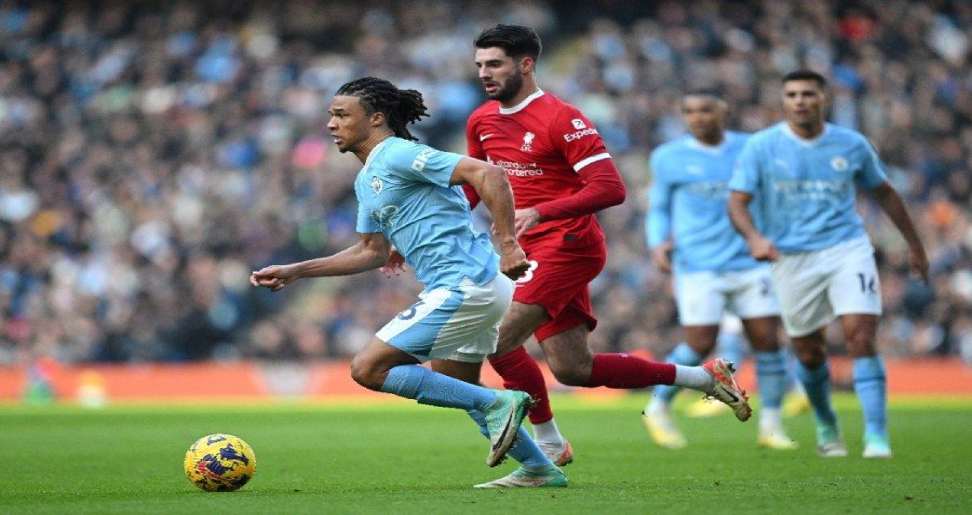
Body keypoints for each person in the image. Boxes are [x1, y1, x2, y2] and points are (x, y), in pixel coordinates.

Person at [250, 77, 566, 488]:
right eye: (330, 115)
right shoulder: (367, 179)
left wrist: (508, 243)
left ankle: (499, 402)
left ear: (376, 118)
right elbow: (371, 251)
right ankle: (539, 468)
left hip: (465, 283)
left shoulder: (397, 153)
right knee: (455, 386)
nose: (331, 124)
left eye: (342, 115)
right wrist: (297, 271)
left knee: (368, 368)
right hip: (475, 286)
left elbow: (487, 173)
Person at [463, 24, 752, 472]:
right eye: (480, 64)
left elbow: (610, 188)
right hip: (526, 250)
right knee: (574, 369)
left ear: (525, 64)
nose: (484, 72)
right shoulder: (481, 120)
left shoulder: (562, 118)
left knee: (498, 341)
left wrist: (543, 211)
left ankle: (549, 443)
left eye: (494, 63)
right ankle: (702, 377)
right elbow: (478, 185)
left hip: (568, 244)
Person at [728, 70, 929, 459]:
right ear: (783, 101)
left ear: (824, 98)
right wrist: (755, 238)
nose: (800, 100)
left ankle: (876, 436)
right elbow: (737, 201)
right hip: (790, 258)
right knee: (808, 352)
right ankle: (826, 423)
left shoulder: (851, 144)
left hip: (846, 248)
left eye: (808, 94)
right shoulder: (762, 146)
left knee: (860, 337)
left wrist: (915, 246)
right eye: (792, 94)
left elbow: (885, 193)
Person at [643, 91, 796, 451]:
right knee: (698, 342)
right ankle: (658, 407)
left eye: (706, 110)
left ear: (724, 111)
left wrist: (772, 238)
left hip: (748, 261)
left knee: (767, 341)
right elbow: (660, 207)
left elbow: (774, 198)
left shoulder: (751, 149)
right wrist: (657, 242)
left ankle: (771, 425)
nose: (697, 117)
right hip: (697, 264)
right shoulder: (668, 157)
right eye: (690, 111)